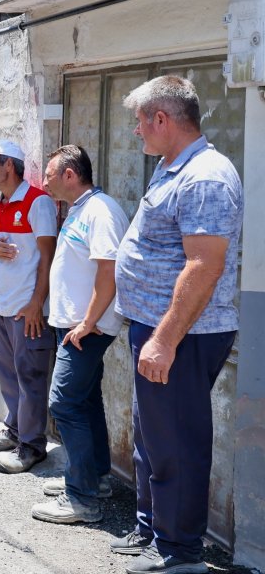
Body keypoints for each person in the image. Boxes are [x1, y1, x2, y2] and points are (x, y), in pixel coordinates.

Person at [109, 76, 242, 574]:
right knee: (153, 436)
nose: (136, 132)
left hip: (183, 334)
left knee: (177, 442)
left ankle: (180, 553)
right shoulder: (172, 167)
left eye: (140, 121)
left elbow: (204, 265)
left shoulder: (205, 175)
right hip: (158, 326)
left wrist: (164, 339)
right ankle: (153, 530)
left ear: (162, 119)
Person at [30, 145, 129, 526]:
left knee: (64, 404)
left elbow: (109, 271)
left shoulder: (101, 212)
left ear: (70, 175)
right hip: (76, 325)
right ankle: (96, 478)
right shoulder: (80, 210)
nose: (45, 181)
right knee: (85, 402)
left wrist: (87, 323)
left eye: (51, 174)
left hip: (86, 329)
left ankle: (81, 498)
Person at [0, 139, 58, 474]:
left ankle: (33, 446)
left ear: (9, 165)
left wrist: (37, 303)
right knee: (7, 371)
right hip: (1, 304)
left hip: (27, 309)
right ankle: (14, 431)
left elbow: (49, 257)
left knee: (31, 376)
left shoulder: (38, 202)